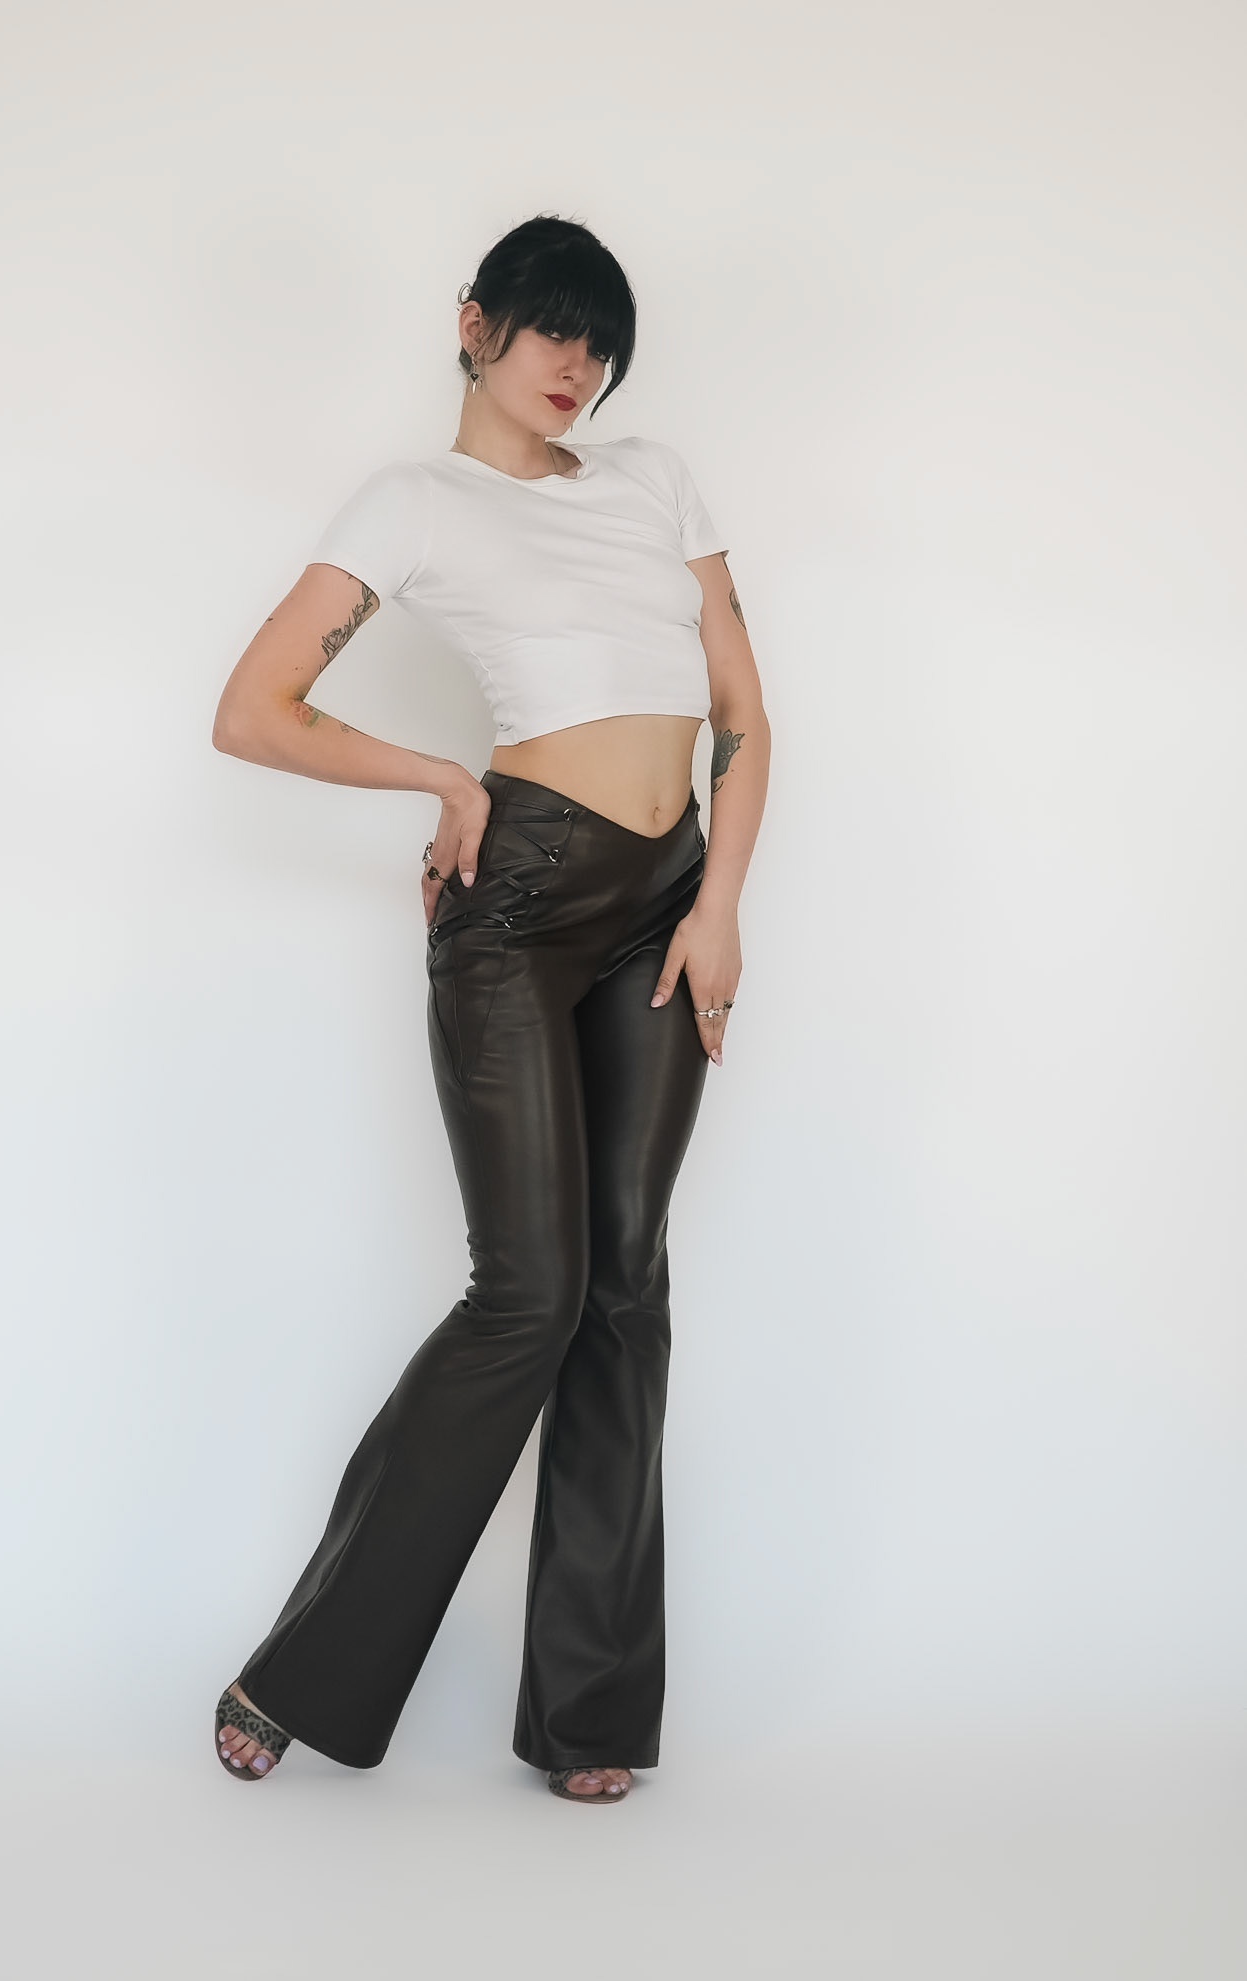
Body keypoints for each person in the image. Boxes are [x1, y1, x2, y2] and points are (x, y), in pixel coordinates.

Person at [209, 213, 770, 1804]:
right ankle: (301, 1666)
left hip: (666, 903)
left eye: (599, 342)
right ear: (475, 324)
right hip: (516, 908)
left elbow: (743, 713)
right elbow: (253, 708)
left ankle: (590, 1714)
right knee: (529, 1293)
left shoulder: (656, 480)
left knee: (626, 1286)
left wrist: (720, 903)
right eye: (548, 330)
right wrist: (442, 778)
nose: (575, 365)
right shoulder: (413, 500)